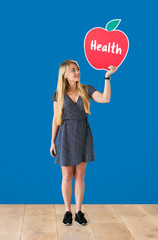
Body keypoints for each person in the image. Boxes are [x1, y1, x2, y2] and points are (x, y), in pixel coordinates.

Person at [50, 59, 117, 226]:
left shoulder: (87, 89)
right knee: (66, 176)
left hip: (83, 133)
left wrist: (107, 78)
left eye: (78, 69)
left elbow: (105, 99)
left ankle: (79, 211)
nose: (77, 72)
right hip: (65, 134)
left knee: (80, 176)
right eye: (73, 70)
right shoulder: (58, 93)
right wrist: (52, 142)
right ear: (65, 74)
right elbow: (55, 118)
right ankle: (67, 211)